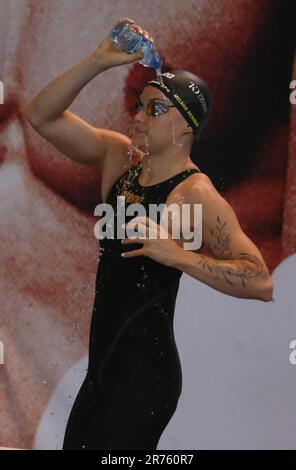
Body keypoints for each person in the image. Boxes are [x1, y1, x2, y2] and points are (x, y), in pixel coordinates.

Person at [24, 17, 273, 450]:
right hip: (102, 371)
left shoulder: (195, 193)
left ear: (186, 124)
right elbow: (40, 115)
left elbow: (260, 280)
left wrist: (176, 255)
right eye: (140, 104)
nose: (139, 115)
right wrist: (98, 62)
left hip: (145, 377)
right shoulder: (118, 158)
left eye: (155, 109)